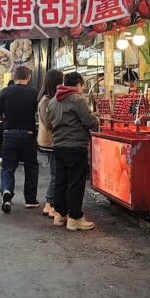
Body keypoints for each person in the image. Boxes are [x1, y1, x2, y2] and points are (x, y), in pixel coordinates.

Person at [47, 72, 97, 231]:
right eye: (82, 86)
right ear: (78, 85)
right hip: (75, 147)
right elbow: (90, 122)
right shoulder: (77, 99)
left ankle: (60, 215)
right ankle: (75, 218)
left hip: (59, 146)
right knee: (76, 183)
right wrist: (96, 118)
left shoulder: (54, 100)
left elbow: (49, 123)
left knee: (61, 181)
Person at [0, 65, 40, 212]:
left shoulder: (5, 91)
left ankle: (7, 191)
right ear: (28, 77)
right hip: (28, 134)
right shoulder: (34, 93)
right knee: (31, 167)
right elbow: (38, 113)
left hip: (9, 133)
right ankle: (30, 200)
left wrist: (8, 119)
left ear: (13, 77)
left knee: (8, 167)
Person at [37, 69, 65, 219]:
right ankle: (50, 204)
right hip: (51, 141)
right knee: (56, 174)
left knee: (56, 174)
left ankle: (50, 204)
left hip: (50, 141)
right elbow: (49, 123)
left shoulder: (47, 98)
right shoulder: (46, 100)